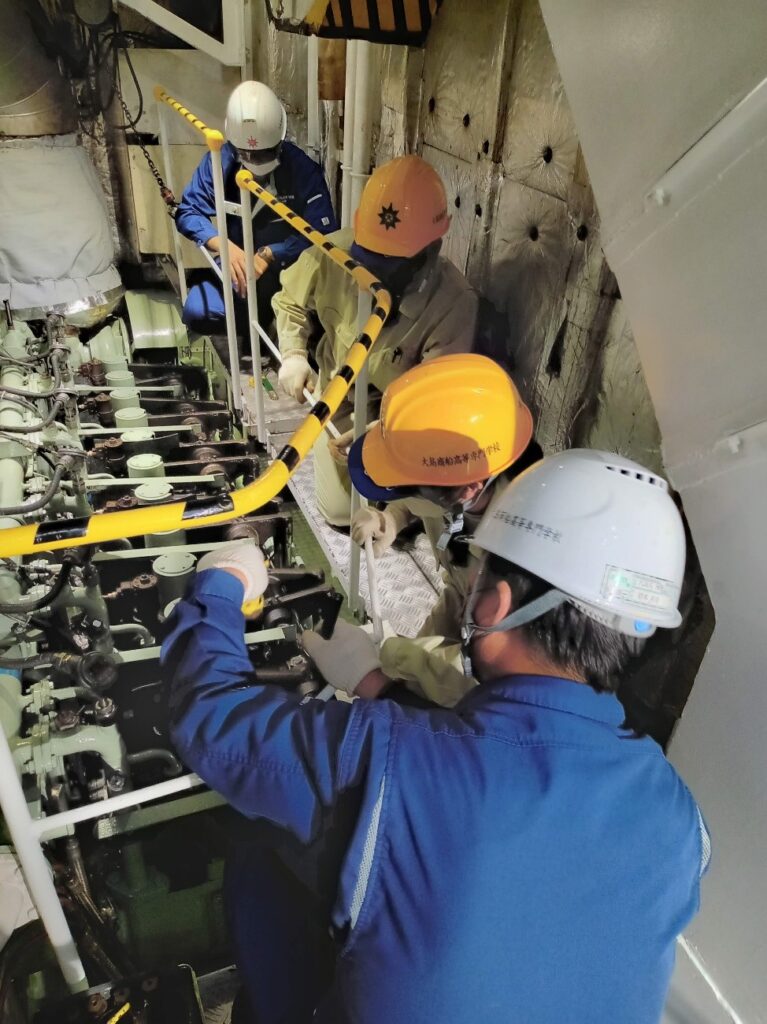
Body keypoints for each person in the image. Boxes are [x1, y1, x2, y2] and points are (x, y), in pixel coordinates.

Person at [162, 448, 709, 1024]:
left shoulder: (384, 762)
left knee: (261, 852)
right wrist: (376, 684)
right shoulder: (682, 820)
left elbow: (211, 718)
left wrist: (222, 581)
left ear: (495, 605)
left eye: (480, 570)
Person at [272, 154, 478, 525]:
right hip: (339, 396)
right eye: (366, 256)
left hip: (398, 416)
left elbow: (433, 398)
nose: (370, 274)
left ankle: (404, 512)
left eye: (389, 264)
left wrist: (383, 433)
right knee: (340, 512)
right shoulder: (334, 254)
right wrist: (293, 353)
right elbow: (289, 299)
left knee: (424, 502)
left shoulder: (453, 304)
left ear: (429, 252)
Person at [343, 353, 541, 706]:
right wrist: (391, 519)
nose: (406, 494)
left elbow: (486, 682)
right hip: (463, 600)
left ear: (468, 490)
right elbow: (427, 502)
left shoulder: (524, 557)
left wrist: (398, 656)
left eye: (409, 488)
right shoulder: (462, 482)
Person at [175, 80, 336, 340]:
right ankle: (257, 330)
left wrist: (270, 254)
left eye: (265, 154)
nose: (256, 162)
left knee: (314, 318)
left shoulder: (302, 169)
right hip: (237, 269)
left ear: (280, 139)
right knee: (197, 312)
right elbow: (188, 212)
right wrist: (224, 246)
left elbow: (323, 231)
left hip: (287, 270)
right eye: (247, 155)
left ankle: (274, 326)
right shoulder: (219, 162)